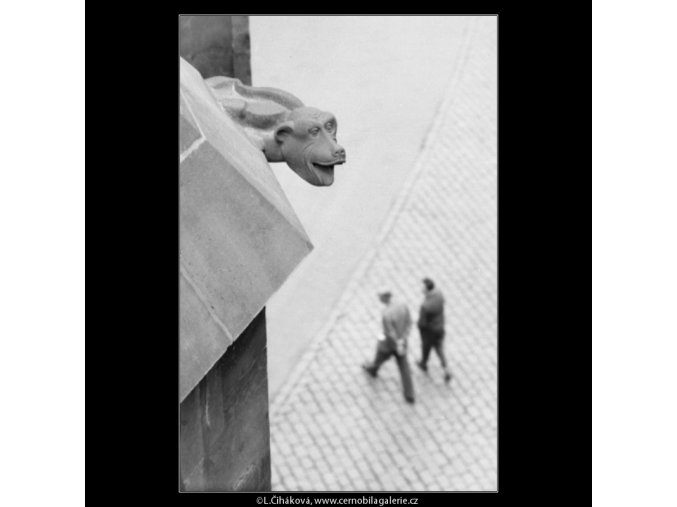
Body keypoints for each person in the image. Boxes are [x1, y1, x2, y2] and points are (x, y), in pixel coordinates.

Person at [362, 291, 416, 403]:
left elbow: (390, 333)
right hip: (402, 342)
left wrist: (397, 344)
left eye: (380, 297)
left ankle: (372, 369)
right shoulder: (402, 304)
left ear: (384, 298)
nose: (379, 299)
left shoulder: (386, 314)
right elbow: (409, 323)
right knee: (404, 366)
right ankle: (410, 393)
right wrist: (402, 340)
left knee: (379, 357)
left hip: (389, 345)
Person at [416, 278, 452, 383]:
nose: (421, 289)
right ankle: (446, 368)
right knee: (439, 348)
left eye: (422, 287)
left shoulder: (425, 306)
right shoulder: (439, 294)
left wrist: (420, 328)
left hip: (429, 331)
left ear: (427, 289)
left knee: (426, 347)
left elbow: (422, 323)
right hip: (440, 328)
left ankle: (423, 363)